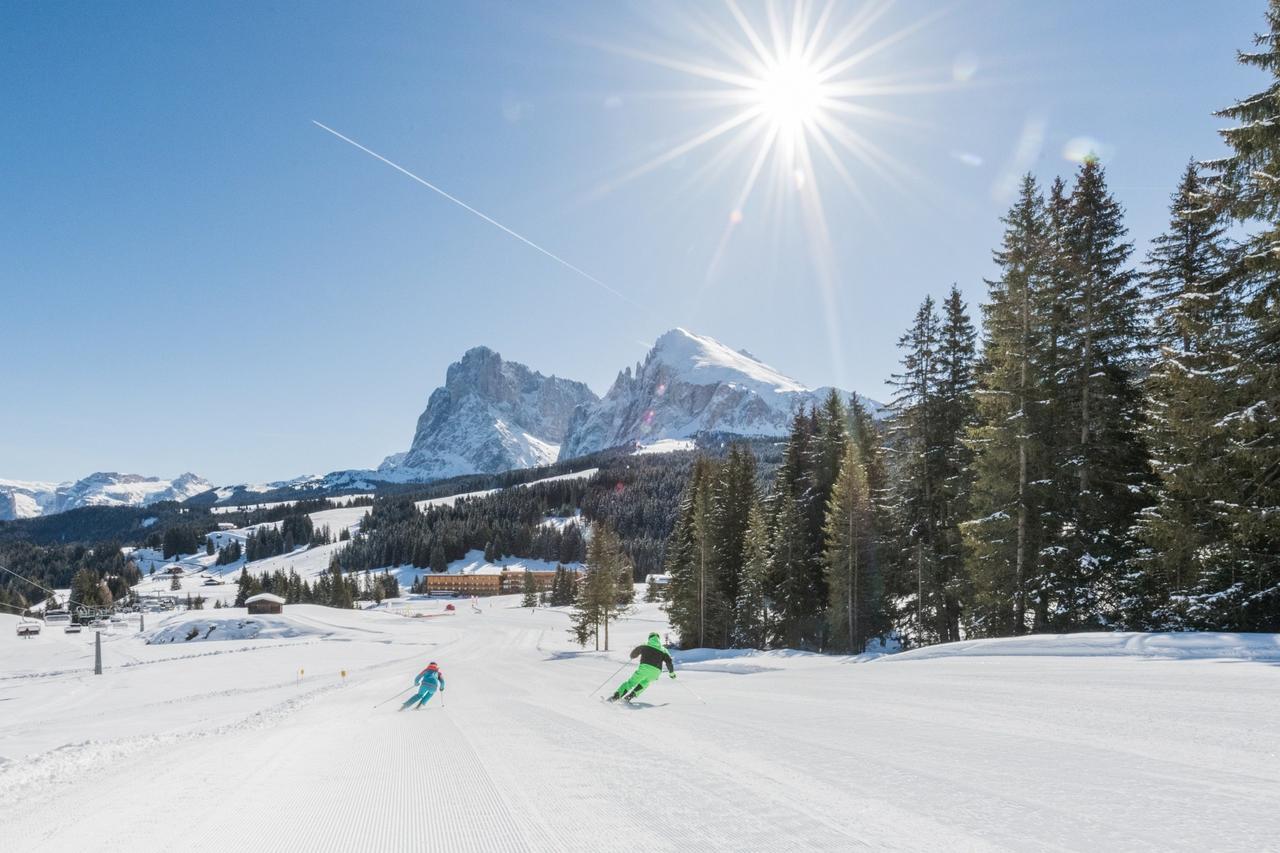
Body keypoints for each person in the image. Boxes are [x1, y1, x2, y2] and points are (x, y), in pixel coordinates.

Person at [609, 632, 675, 702]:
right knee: (646, 682)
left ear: (649, 638)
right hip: (656, 672)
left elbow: (633, 654)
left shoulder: (645, 645)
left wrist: (633, 656)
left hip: (644, 668)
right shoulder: (664, 650)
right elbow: (669, 662)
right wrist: (672, 674)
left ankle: (617, 696)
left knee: (632, 682)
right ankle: (631, 695)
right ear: (658, 638)